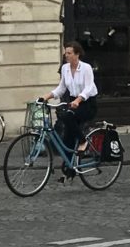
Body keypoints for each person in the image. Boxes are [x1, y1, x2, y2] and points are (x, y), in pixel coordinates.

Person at [42, 41, 98, 173]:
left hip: (88, 103)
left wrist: (79, 99)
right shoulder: (65, 68)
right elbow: (61, 89)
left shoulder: (86, 68)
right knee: (67, 134)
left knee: (68, 117)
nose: (66, 55)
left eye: (69, 53)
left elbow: (89, 88)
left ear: (77, 54)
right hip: (74, 102)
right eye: (65, 53)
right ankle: (69, 168)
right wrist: (45, 96)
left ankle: (83, 142)